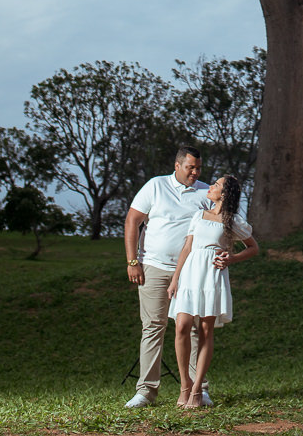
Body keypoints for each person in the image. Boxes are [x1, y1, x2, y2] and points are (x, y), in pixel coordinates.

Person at [123, 146, 209, 409]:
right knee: (152, 327)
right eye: (190, 167)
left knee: (194, 328)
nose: (195, 173)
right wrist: (133, 261)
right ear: (177, 165)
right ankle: (146, 391)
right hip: (155, 267)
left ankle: (198, 390)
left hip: (192, 270)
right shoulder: (155, 186)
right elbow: (132, 221)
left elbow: (219, 224)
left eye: (198, 168)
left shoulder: (207, 192)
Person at [167, 174, 259, 408]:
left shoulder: (232, 221)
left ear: (225, 193)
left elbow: (253, 248)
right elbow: (187, 247)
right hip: (190, 273)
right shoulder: (199, 214)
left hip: (212, 275)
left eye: (216, 185)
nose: (210, 187)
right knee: (181, 327)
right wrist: (175, 278)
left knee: (206, 330)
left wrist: (232, 258)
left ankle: (197, 390)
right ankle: (184, 385)